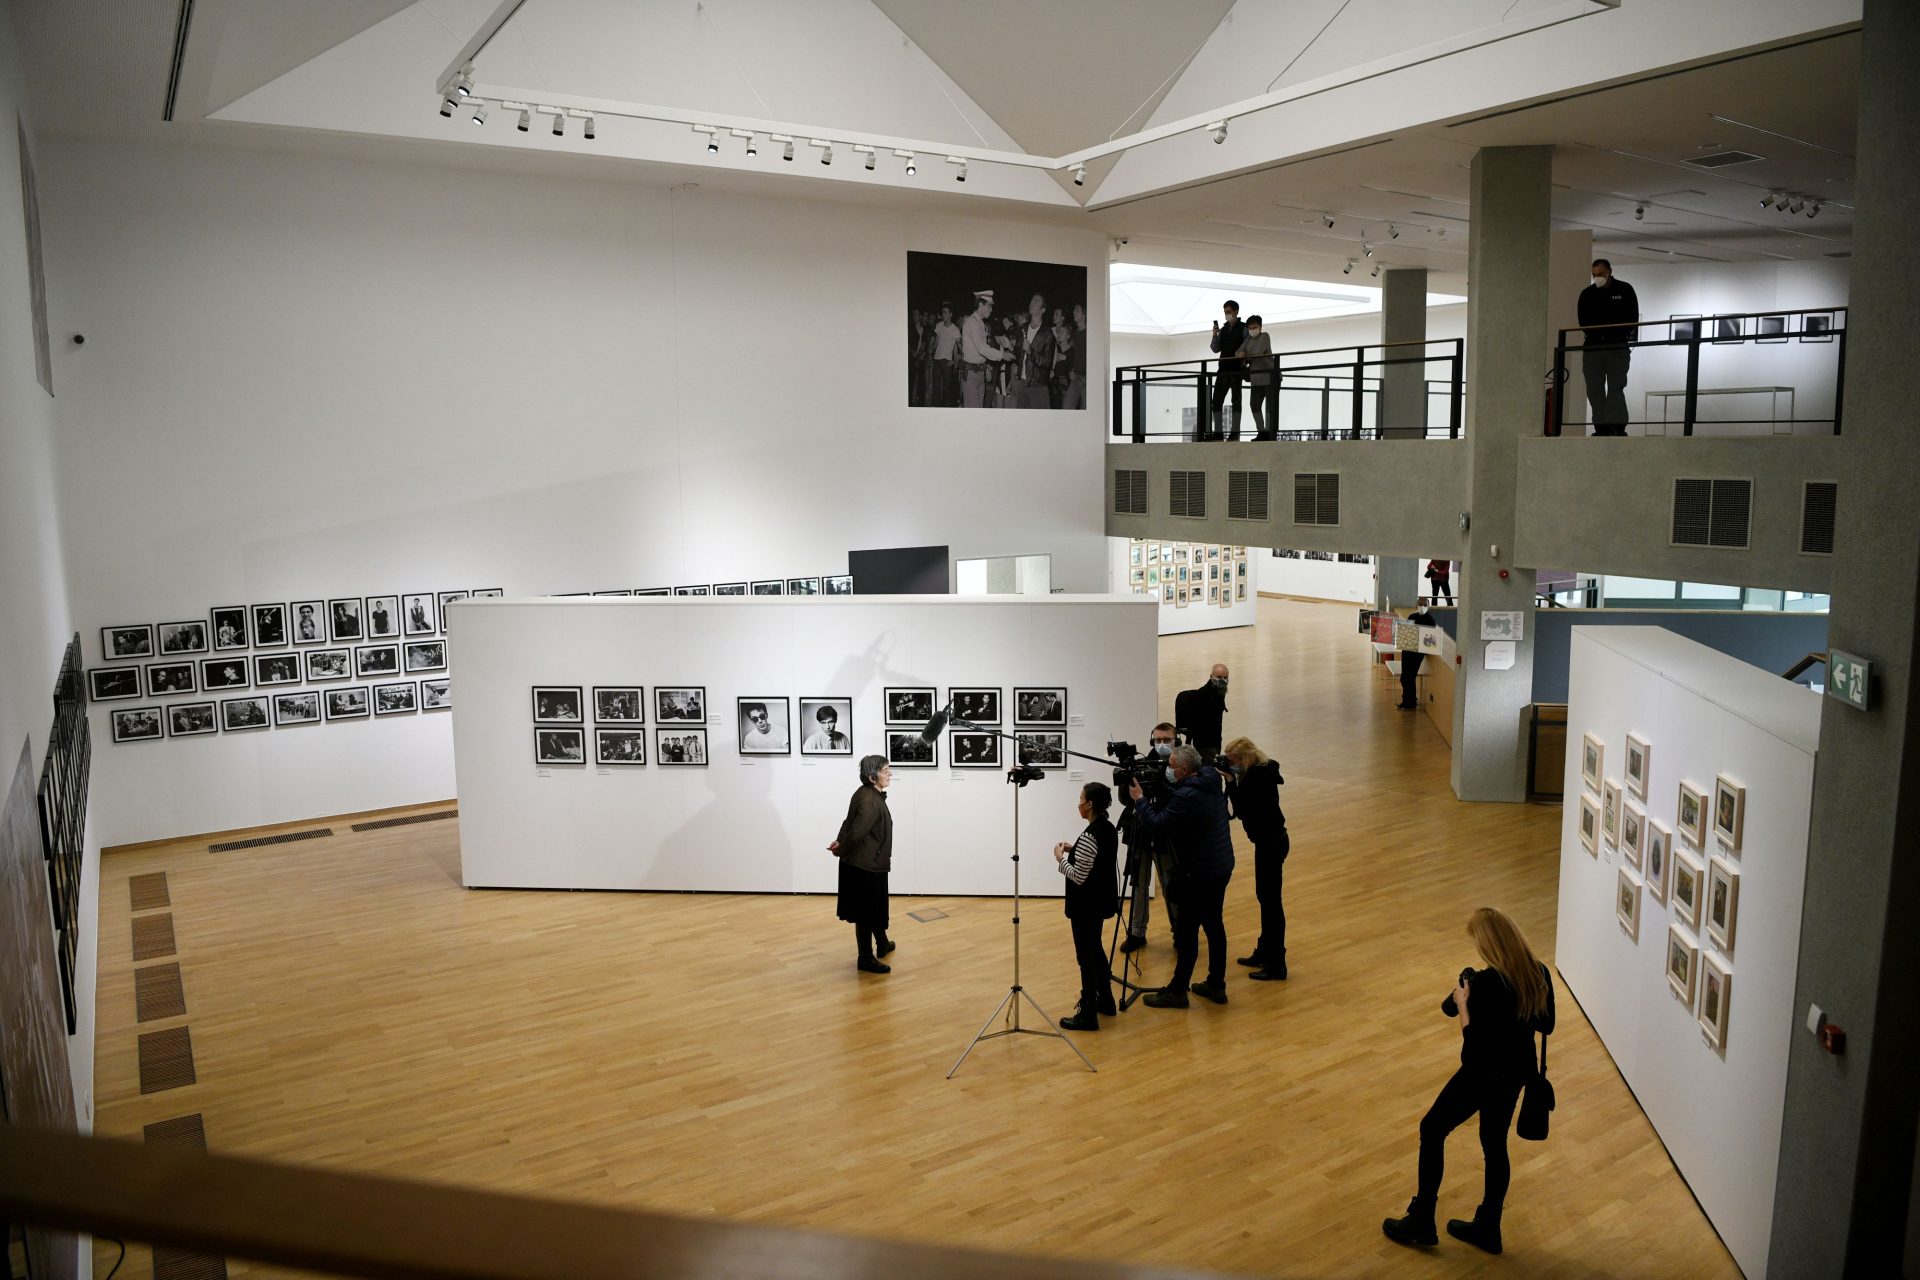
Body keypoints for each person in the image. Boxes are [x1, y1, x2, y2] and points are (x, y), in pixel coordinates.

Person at [1383, 907, 1556, 1255]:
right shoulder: (1537, 972)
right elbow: (1546, 1024)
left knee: (1432, 1128)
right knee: (1494, 1145)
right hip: (1515, 1074)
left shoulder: (1487, 983)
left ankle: (1422, 1219)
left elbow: (1473, 1047)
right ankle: (1489, 1226)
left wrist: (1464, 1003)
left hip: (1482, 1074)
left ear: (1489, 944)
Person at [1129, 746, 1234, 1008]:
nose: (1168, 769)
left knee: (1187, 931)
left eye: (1172, 766)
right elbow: (1181, 797)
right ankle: (1216, 984)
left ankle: (1177, 991)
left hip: (1199, 872)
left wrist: (1140, 800)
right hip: (1220, 864)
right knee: (1214, 925)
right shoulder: (1210, 779)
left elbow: (1157, 824)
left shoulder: (1187, 796)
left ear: (1185, 770)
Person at [1223, 736, 1289, 980]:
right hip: (1271, 841)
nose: (1230, 765)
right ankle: (1264, 952)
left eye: (1232, 761)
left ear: (1244, 759)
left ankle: (1276, 964)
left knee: (1270, 903)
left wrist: (1231, 782)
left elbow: (1241, 810)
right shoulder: (1261, 771)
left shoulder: (1256, 778)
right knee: (1266, 899)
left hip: (1270, 844)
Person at [1054, 781, 1119, 1031]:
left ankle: (1088, 1013)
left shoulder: (1091, 835)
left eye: (1081, 800)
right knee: (1096, 950)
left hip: (1085, 906)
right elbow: (1094, 860)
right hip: (1099, 902)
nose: (1078, 804)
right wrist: (1076, 850)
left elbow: (1079, 876)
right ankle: (1106, 1000)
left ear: (1090, 804)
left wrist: (1060, 859)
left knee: (1086, 957)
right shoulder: (1107, 828)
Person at [828, 756, 895, 973]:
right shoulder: (870, 801)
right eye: (885, 770)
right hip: (866, 865)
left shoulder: (864, 793)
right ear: (872, 777)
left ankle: (882, 943)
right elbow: (856, 831)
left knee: (873, 908)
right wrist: (841, 848)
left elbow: (848, 822)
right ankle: (865, 958)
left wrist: (839, 841)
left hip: (867, 862)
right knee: (867, 913)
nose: (890, 773)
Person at [1120, 721, 1180, 954]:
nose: (1162, 744)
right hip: (1140, 832)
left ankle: (1180, 932)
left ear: (1176, 740)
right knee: (1138, 885)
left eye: (1167, 740)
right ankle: (1136, 932)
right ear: (1151, 740)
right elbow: (1125, 798)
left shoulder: (1181, 766)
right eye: (1158, 740)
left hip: (1167, 834)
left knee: (1171, 885)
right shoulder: (1141, 764)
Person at [1577, 258, 1638, 435]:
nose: (1597, 277)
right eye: (1594, 275)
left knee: (1615, 388)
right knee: (1594, 390)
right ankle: (1601, 427)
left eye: (1601, 274)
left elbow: (1631, 318)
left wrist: (1613, 333)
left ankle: (1617, 426)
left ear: (1610, 272)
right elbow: (1584, 322)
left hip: (1617, 347)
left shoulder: (1624, 290)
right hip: (1593, 348)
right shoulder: (1587, 294)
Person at [959, 290, 1008, 407]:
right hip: (971, 374)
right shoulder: (972, 322)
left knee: (979, 409)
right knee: (974, 412)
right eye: (989, 306)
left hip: (979, 373)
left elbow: (980, 350)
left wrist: (985, 367)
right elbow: (981, 349)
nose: (991, 310)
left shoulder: (980, 323)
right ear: (981, 305)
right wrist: (1002, 355)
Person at [1208, 300, 1247, 440]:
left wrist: (1242, 357)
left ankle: (1235, 433)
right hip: (1223, 369)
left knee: (1236, 401)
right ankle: (1218, 433)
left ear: (1236, 311)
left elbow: (1247, 345)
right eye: (1225, 312)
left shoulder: (1244, 327)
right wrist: (1214, 334)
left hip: (1236, 369)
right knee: (1216, 401)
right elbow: (1215, 349)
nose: (1226, 315)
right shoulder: (1223, 329)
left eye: (1229, 312)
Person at [1177, 664, 1230, 758]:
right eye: (1219, 677)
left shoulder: (1218, 692)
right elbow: (1193, 720)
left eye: (1225, 677)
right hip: (1204, 745)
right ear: (1211, 677)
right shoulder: (1203, 695)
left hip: (1215, 740)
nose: (1222, 680)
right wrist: (1188, 742)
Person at [1238, 315, 1277, 439]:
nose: (1252, 330)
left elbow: (1258, 352)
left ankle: (1272, 433)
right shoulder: (1248, 339)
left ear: (1260, 327)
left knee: (1271, 407)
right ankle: (1262, 432)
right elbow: (1237, 352)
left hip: (1270, 377)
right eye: (1250, 328)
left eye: (1254, 327)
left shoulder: (1265, 336)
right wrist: (1241, 353)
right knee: (1254, 405)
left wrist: (1244, 355)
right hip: (1256, 379)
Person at [1399, 603, 1437, 711]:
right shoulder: (1412, 616)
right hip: (1407, 649)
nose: (1422, 606)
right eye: (1420, 604)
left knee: (1410, 677)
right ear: (1417, 606)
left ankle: (1410, 703)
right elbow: (1407, 631)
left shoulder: (1430, 620)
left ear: (1428, 606)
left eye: (1424, 604)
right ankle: (1406, 700)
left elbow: (1431, 638)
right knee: (1404, 677)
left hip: (1418, 652)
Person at [930, 302, 961, 406]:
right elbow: (937, 342)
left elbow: (959, 347)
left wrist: (955, 361)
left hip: (947, 361)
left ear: (950, 314)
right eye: (942, 312)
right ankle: (936, 408)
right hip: (937, 359)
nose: (943, 314)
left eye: (945, 312)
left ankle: (947, 410)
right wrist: (931, 351)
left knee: (947, 389)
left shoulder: (955, 329)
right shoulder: (939, 325)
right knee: (936, 387)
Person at [1062, 304, 1088, 410]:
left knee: (1085, 410)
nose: (1073, 312)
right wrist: (1072, 369)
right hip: (1076, 377)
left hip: (1088, 379)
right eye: (1074, 310)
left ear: (1084, 313)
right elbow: (1075, 354)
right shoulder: (1075, 334)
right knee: (1066, 407)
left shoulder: (1090, 333)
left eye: (1077, 310)